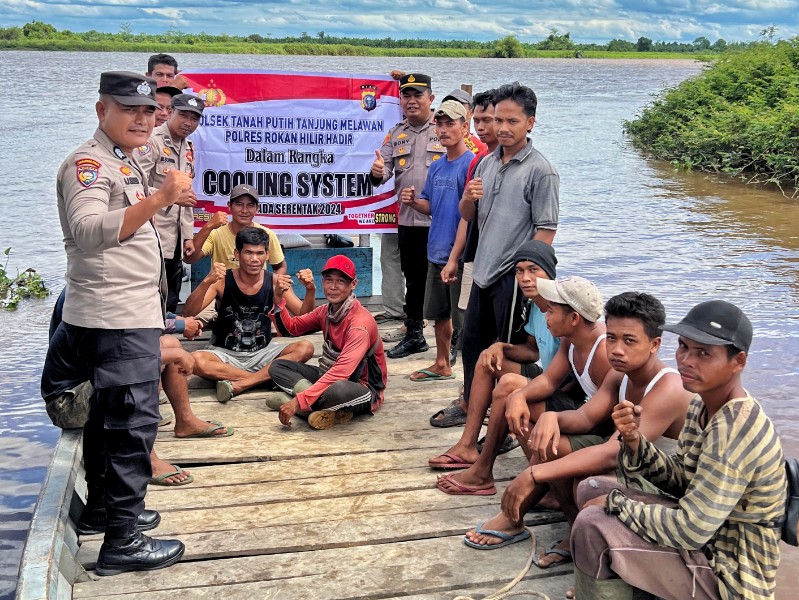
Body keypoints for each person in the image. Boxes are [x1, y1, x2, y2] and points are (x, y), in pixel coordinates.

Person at [42, 71, 187, 575]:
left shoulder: (120, 160)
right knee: (131, 427)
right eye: (130, 109)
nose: (143, 119)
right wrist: (159, 199)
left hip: (123, 316)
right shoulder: (88, 164)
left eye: (149, 111)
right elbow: (86, 233)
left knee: (110, 422)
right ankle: (122, 543)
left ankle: (106, 510)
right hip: (113, 320)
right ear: (102, 110)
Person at [571, 300, 786, 600]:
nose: (686, 360)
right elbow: (683, 480)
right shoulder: (702, 402)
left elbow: (690, 528)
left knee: (593, 523)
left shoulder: (734, 429)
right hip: (708, 539)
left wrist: (618, 504)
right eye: (684, 346)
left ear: (738, 362)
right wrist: (635, 442)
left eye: (703, 354)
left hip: (731, 573)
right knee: (590, 488)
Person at [463, 292, 692, 571]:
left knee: (574, 474)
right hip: (632, 464)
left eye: (629, 341)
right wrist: (553, 418)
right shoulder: (621, 375)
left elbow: (612, 453)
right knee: (552, 442)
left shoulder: (667, 387)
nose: (617, 350)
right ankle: (571, 532)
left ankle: (570, 534)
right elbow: (585, 417)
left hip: (666, 485)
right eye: (612, 338)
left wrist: (533, 473)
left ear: (655, 344)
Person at [431, 82, 560, 425]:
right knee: (472, 346)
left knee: (505, 352)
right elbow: (468, 216)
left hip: (512, 279)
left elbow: (546, 229)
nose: (503, 128)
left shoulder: (540, 170)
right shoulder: (486, 163)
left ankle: (502, 420)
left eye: (512, 121)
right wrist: (468, 198)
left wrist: (528, 275)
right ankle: (473, 407)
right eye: (498, 120)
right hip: (483, 273)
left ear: (530, 123)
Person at [437, 276, 609, 496]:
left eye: (552, 311)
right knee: (510, 388)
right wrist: (520, 396)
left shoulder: (602, 351)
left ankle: (491, 475)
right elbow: (548, 380)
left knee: (515, 402)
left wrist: (532, 406)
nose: (546, 316)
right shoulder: (572, 337)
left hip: (595, 426)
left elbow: (601, 420)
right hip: (581, 410)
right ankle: (484, 470)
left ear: (574, 318)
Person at [428, 240, 559, 463]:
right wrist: (500, 347)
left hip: (563, 387)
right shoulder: (535, 305)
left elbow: (573, 372)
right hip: (549, 377)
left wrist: (523, 391)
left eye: (533, 270)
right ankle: (467, 445)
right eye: (519, 271)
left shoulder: (563, 308)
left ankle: (484, 463)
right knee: (487, 360)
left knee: (508, 384)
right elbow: (531, 350)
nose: (525, 278)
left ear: (550, 272)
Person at [183, 227, 314, 403]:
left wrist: (310, 290)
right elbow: (189, 312)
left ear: (267, 255)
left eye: (260, 253)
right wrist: (207, 281)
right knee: (195, 360)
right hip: (225, 355)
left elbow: (303, 317)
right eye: (248, 253)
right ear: (237, 254)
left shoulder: (275, 281)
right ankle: (263, 379)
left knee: (306, 348)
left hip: (263, 352)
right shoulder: (222, 280)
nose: (254, 259)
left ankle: (241, 383)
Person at [265, 255, 389, 430]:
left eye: (341, 281)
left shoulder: (359, 325)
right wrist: (278, 299)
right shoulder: (325, 311)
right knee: (277, 367)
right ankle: (316, 409)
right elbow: (290, 329)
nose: (333, 287)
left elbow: (341, 373)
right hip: (326, 376)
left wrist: (299, 400)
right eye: (328, 280)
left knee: (337, 390)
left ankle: (299, 404)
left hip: (362, 387)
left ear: (353, 284)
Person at [400, 100, 474, 381]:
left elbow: (469, 217)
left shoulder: (471, 165)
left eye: (450, 124)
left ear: (464, 128)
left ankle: (470, 379)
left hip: (461, 255)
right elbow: (430, 206)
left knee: (463, 319)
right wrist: (414, 203)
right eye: (439, 125)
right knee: (438, 314)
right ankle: (442, 363)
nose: (443, 130)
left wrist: (455, 257)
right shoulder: (438, 166)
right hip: (436, 250)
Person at [369, 73, 440, 356]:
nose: (411, 101)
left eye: (417, 96)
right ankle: (414, 334)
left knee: (446, 279)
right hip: (409, 220)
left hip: (441, 220)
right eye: (406, 96)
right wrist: (377, 173)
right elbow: (383, 170)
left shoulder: (446, 128)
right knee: (412, 277)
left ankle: (455, 336)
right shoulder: (396, 133)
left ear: (431, 99)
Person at [138, 93, 205, 313]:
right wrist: (172, 197)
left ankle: (165, 341)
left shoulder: (188, 149)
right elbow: (132, 186)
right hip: (150, 235)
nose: (188, 123)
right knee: (150, 296)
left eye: (194, 119)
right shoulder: (151, 142)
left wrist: (188, 236)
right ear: (170, 112)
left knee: (171, 296)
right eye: (183, 115)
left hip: (175, 241)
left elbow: (186, 197)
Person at [184, 183, 287, 274]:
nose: (244, 210)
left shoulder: (266, 234)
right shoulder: (216, 234)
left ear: (257, 209)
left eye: (250, 205)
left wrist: (271, 288)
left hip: (256, 294)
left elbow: (280, 266)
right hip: (223, 294)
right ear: (229, 206)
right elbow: (189, 258)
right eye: (239, 204)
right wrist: (208, 226)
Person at [441, 88, 487, 155]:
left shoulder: (478, 146)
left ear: (471, 113)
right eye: (449, 106)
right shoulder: (434, 137)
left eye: (460, 107)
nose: (454, 111)